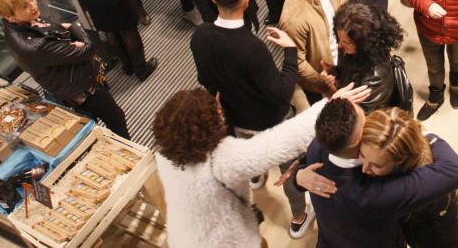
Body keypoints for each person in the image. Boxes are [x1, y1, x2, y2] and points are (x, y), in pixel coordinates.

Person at [153, 84, 369, 248]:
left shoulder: (165, 155)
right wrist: (328, 105)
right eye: (215, 110)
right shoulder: (221, 161)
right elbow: (280, 142)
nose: (219, 107)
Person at [188, 0, 313, 238]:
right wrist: (290, 53)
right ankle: (299, 216)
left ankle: (256, 174)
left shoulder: (199, 37)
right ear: (246, 1)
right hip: (272, 122)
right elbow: (280, 94)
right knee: (290, 170)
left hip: (235, 119)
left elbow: (205, 80)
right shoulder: (251, 47)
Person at [295, 98, 458, 248]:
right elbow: (455, 169)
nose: (371, 119)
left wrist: (298, 176)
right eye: (367, 121)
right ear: (359, 139)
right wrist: (417, 131)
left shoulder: (317, 146)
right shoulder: (378, 192)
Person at [0, 0, 130, 138]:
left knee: (97, 125)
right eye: (24, 6)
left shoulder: (21, 24)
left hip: (74, 79)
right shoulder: (34, 45)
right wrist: (75, 28)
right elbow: (88, 49)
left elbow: (60, 32)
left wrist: (72, 37)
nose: (33, 6)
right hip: (81, 90)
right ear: (9, 17)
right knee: (113, 120)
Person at [360, 108, 458, 248]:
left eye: (376, 165)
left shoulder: (419, 186)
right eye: (361, 154)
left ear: (400, 161)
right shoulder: (422, 146)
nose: (364, 169)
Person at [281, 0, 347, 102]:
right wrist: (324, 84)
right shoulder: (293, 17)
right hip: (322, 88)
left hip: (343, 63)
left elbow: (342, 2)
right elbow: (297, 62)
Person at [334, 0, 406, 113]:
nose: (339, 45)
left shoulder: (375, 79)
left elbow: (356, 123)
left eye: (346, 42)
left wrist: (334, 98)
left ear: (364, 44)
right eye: (339, 39)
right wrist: (335, 73)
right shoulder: (355, 53)